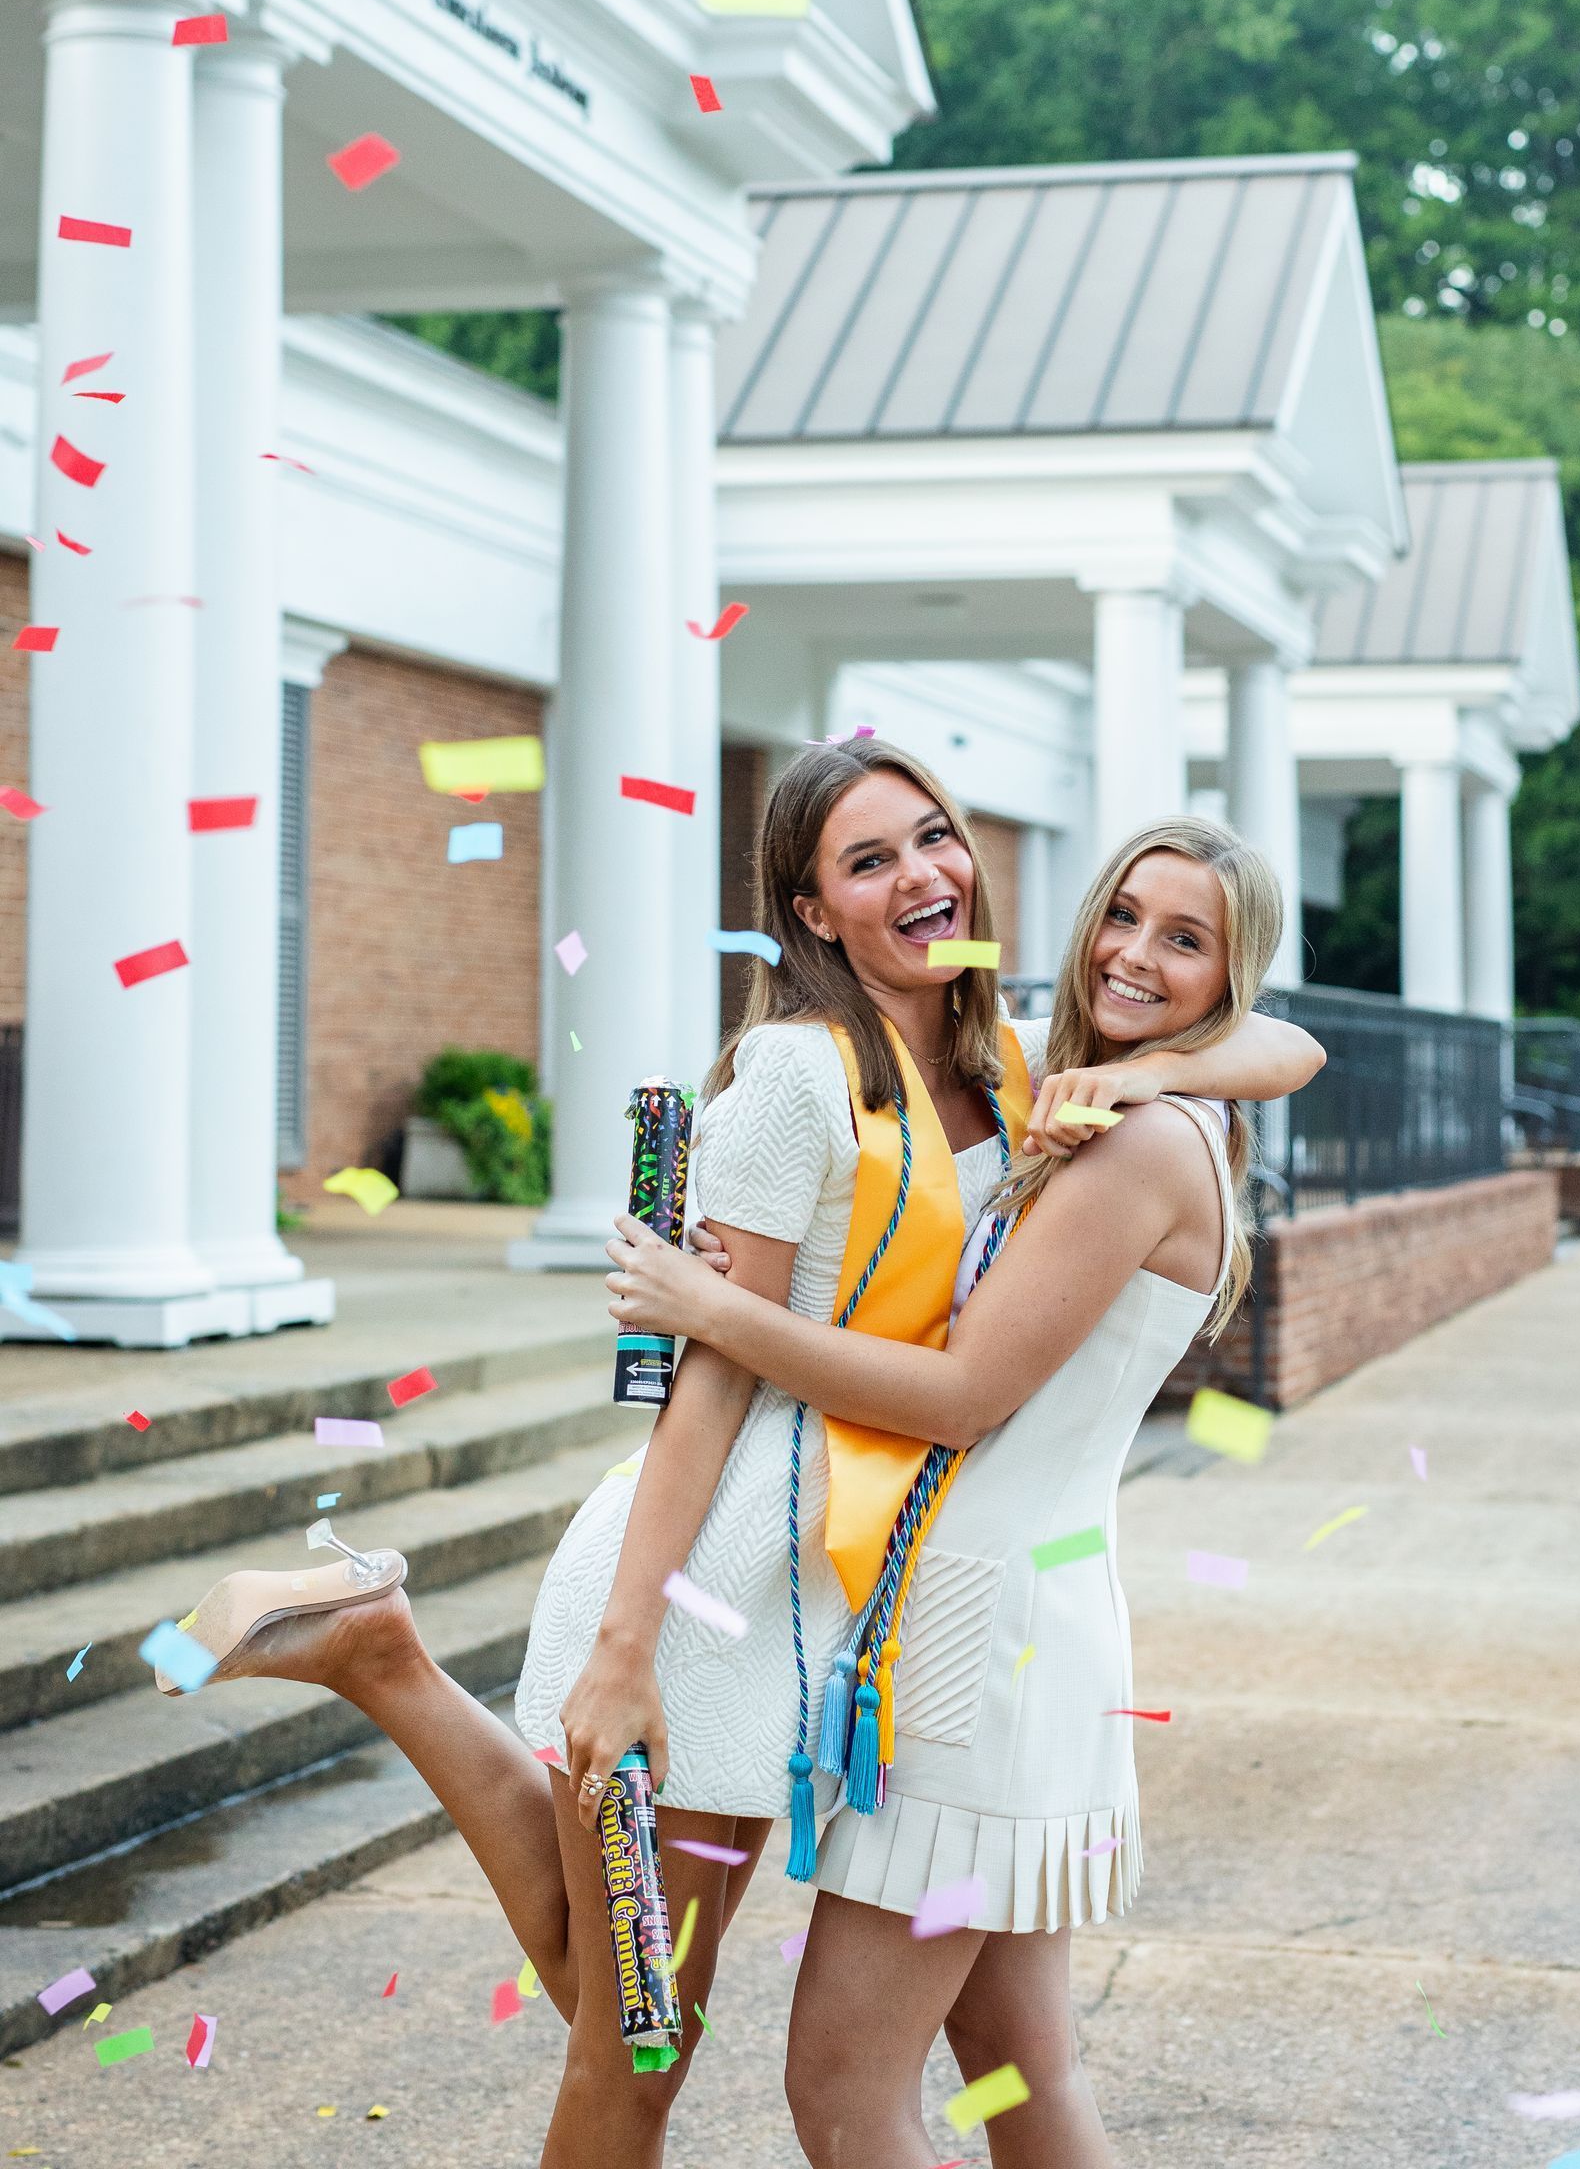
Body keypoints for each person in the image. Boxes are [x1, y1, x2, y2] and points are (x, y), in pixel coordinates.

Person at [161, 741, 1315, 2169]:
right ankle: (384, 1658)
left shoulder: (1011, 1062)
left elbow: (1278, 1048)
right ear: (814, 911)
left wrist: (1187, 1051)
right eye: (868, 860)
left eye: (935, 840)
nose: (922, 877)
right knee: (633, 2037)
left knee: (634, 1999)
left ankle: (382, 1654)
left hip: (835, 1602)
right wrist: (629, 1638)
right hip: (710, 1585)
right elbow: (702, 1385)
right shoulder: (788, 1071)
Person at [602, 814, 1319, 2167]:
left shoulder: (1141, 1143)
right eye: (1126, 916)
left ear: (1233, 971)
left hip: (975, 1659)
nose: (1137, 955)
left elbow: (955, 1399)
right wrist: (1166, 1053)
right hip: (1016, 1627)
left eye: (1188, 942)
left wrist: (709, 1305)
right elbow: (1290, 1049)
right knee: (1021, 2074)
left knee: (844, 2087)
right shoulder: (1097, 1092)